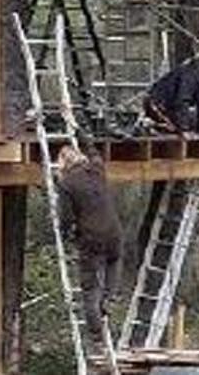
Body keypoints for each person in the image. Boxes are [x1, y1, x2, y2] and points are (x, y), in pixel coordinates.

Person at [55, 141, 122, 346]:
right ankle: (110, 297)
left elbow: (66, 217)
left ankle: (96, 334)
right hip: (113, 230)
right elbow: (94, 149)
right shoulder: (96, 168)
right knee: (114, 262)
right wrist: (80, 133)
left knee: (90, 287)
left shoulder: (67, 184)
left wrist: (65, 234)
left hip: (91, 236)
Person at [143, 53, 199, 134]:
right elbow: (181, 102)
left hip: (170, 105)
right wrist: (184, 129)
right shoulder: (189, 76)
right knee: (176, 126)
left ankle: (161, 127)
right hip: (157, 102)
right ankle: (152, 127)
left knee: (191, 120)